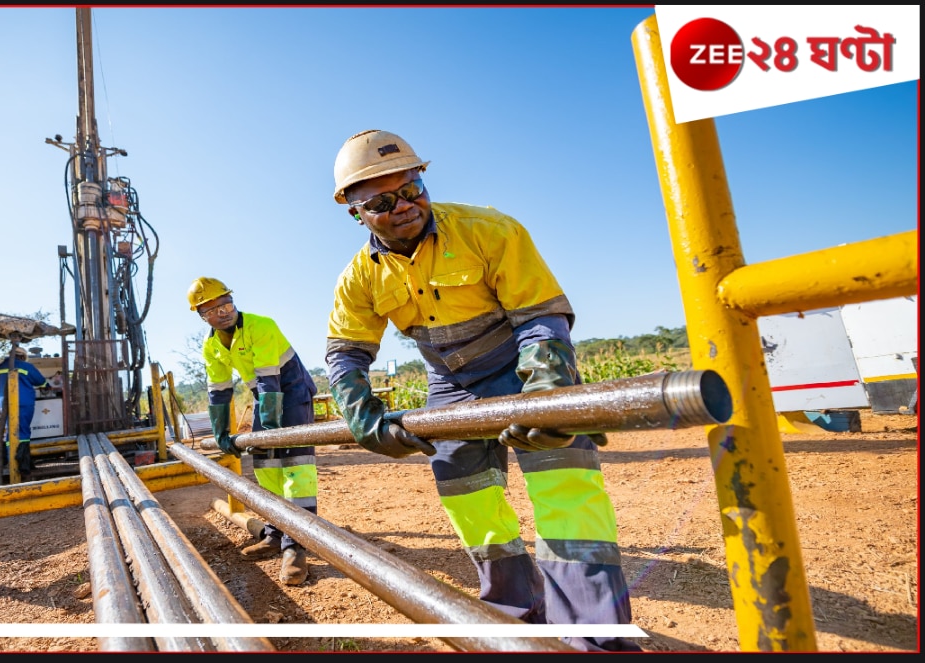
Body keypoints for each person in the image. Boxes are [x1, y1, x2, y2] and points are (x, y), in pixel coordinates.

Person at [324, 129, 640, 652]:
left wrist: (547, 394)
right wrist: (362, 414)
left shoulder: (488, 229)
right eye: (382, 202)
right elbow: (345, 353)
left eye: (412, 188)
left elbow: (541, 318)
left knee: (565, 487)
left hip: (524, 365)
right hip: (451, 381)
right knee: (466, 492)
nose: (404, 206)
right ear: (355, 213)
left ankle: (594, 638)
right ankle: (515, 616)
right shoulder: (359, 278)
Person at [189, 276, 319, 586]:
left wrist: (271, 431)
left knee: (295, 469)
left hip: (292, 392)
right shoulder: (211, 347)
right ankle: (275, 533)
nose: (224, 312)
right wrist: (221, 433)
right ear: (202, 316)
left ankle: (296, 546)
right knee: (265, 466)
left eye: (227, 304)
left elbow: (268, 379)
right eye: (214, 310)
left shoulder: (261, 325)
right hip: (266, 398)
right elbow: (218, 391)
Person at [0, 345, 50, 479]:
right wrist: (48, 386)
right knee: (23, 431)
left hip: (5, 405)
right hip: (23, 404)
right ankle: (21, 465)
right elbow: (41, 381)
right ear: (22, 356)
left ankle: (11, 461)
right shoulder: (26, 367)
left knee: (10, 432)